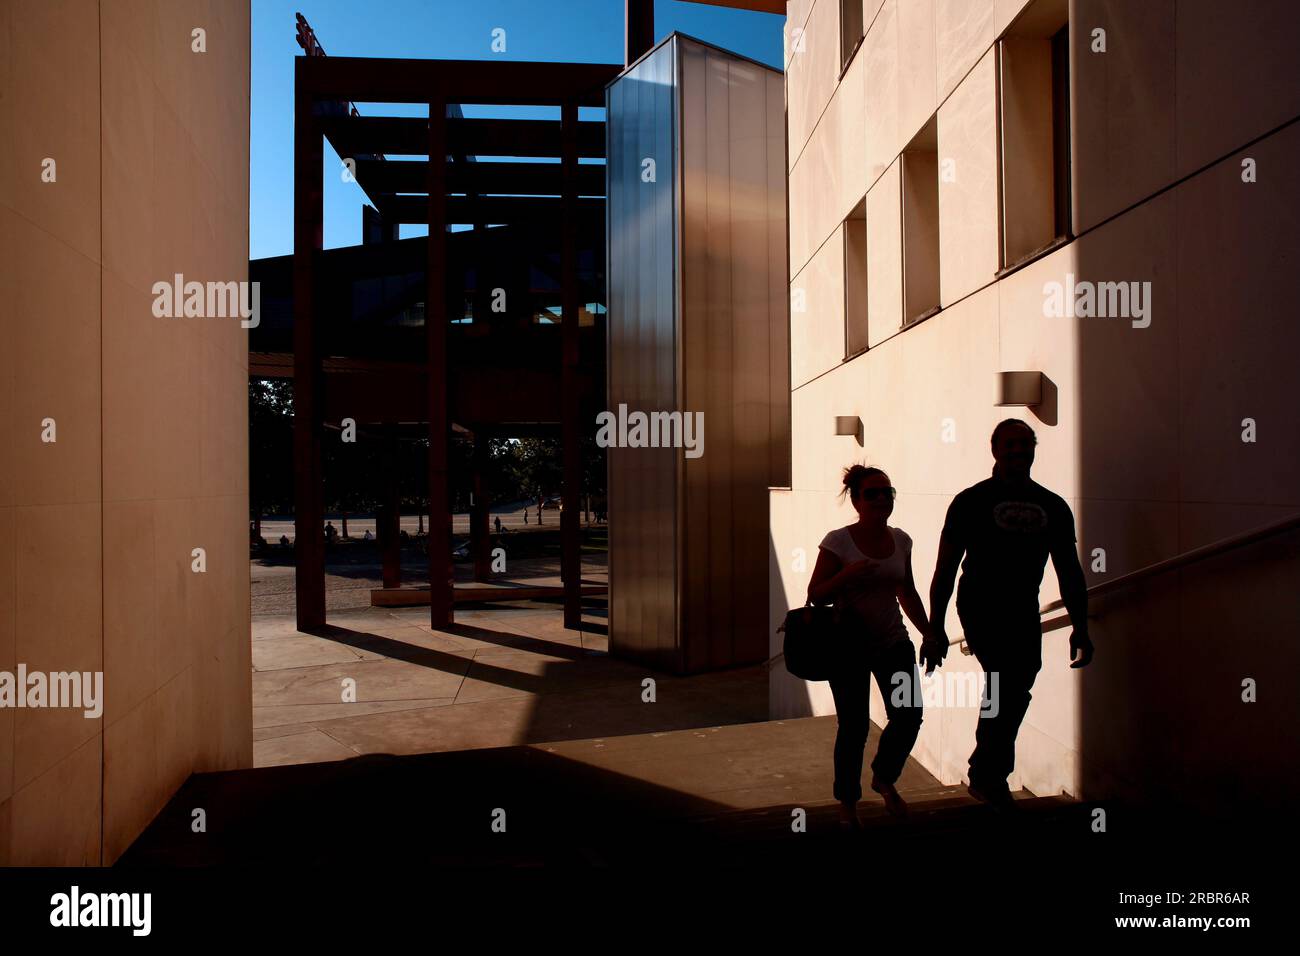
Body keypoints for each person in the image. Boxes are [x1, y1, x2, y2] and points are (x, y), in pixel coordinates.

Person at [927, 419, 1093, 809]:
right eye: (1010, 444)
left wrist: (1080, 627)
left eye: (1025, 444)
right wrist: (935, 628)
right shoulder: (970, 501)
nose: (1018, 451)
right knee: (1004, 679)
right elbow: (945, 569)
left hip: (1022, 607)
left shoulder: (1053, 506)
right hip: (979, 604)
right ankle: (990, 776)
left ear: (1033, 450)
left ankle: (986, 770)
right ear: (995, 449)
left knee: (1018, 685)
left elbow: (1069, 570)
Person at [807, 464, 933, 829]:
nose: (881, 498)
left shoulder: (901, 540)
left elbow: (906, 591)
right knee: (854, 726)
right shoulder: (838, 541)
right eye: (872, 493)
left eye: (887, 492)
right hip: (848, 647)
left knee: (909, 715)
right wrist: (846, 575)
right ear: (856, 499)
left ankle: (883, 777)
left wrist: (928, 632)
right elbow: (815, 595)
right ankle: (847, 801)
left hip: (894, 642)